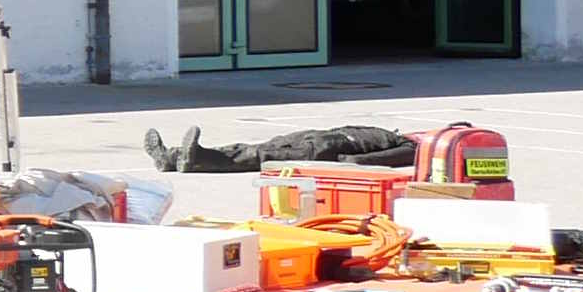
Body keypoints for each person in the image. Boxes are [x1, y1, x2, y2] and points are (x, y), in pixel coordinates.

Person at [138, 119, 419, 177]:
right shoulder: (390, 133)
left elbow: (371, 162)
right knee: (255, 148)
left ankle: (195, 159)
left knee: (258, 156)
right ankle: (172, 157)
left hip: (325, 149)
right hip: (317, 136)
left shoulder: (409, 145)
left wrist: (345, 159)